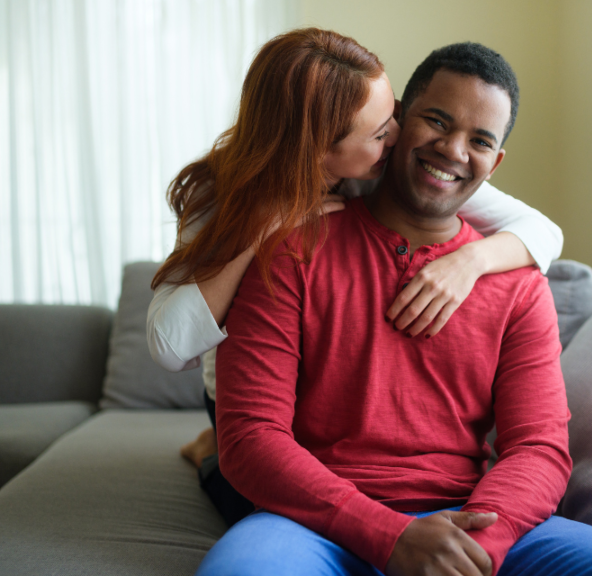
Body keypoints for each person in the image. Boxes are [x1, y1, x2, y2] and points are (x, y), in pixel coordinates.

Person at [198, 44, 592, 576]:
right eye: (437, 120)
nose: (453, 150)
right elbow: (250, 438)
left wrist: (471, 549)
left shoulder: (519, 285)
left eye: (480, 141)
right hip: (317, 523)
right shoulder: (291, 249)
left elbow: (539, 450)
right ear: (398, 122)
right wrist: (389, 535)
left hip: (470, 523)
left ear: (494, 162)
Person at [146, 28, 564, 524]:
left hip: (328, 399)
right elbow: (169, 345)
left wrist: (468, 262)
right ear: (319, 149)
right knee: (254, 492)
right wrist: (264, 227)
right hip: (246, 393)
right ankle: (208, 451)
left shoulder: (388, 166)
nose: (399, 136)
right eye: (381, 131)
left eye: (392, 118)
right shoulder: (220, 193)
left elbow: (542, 231)